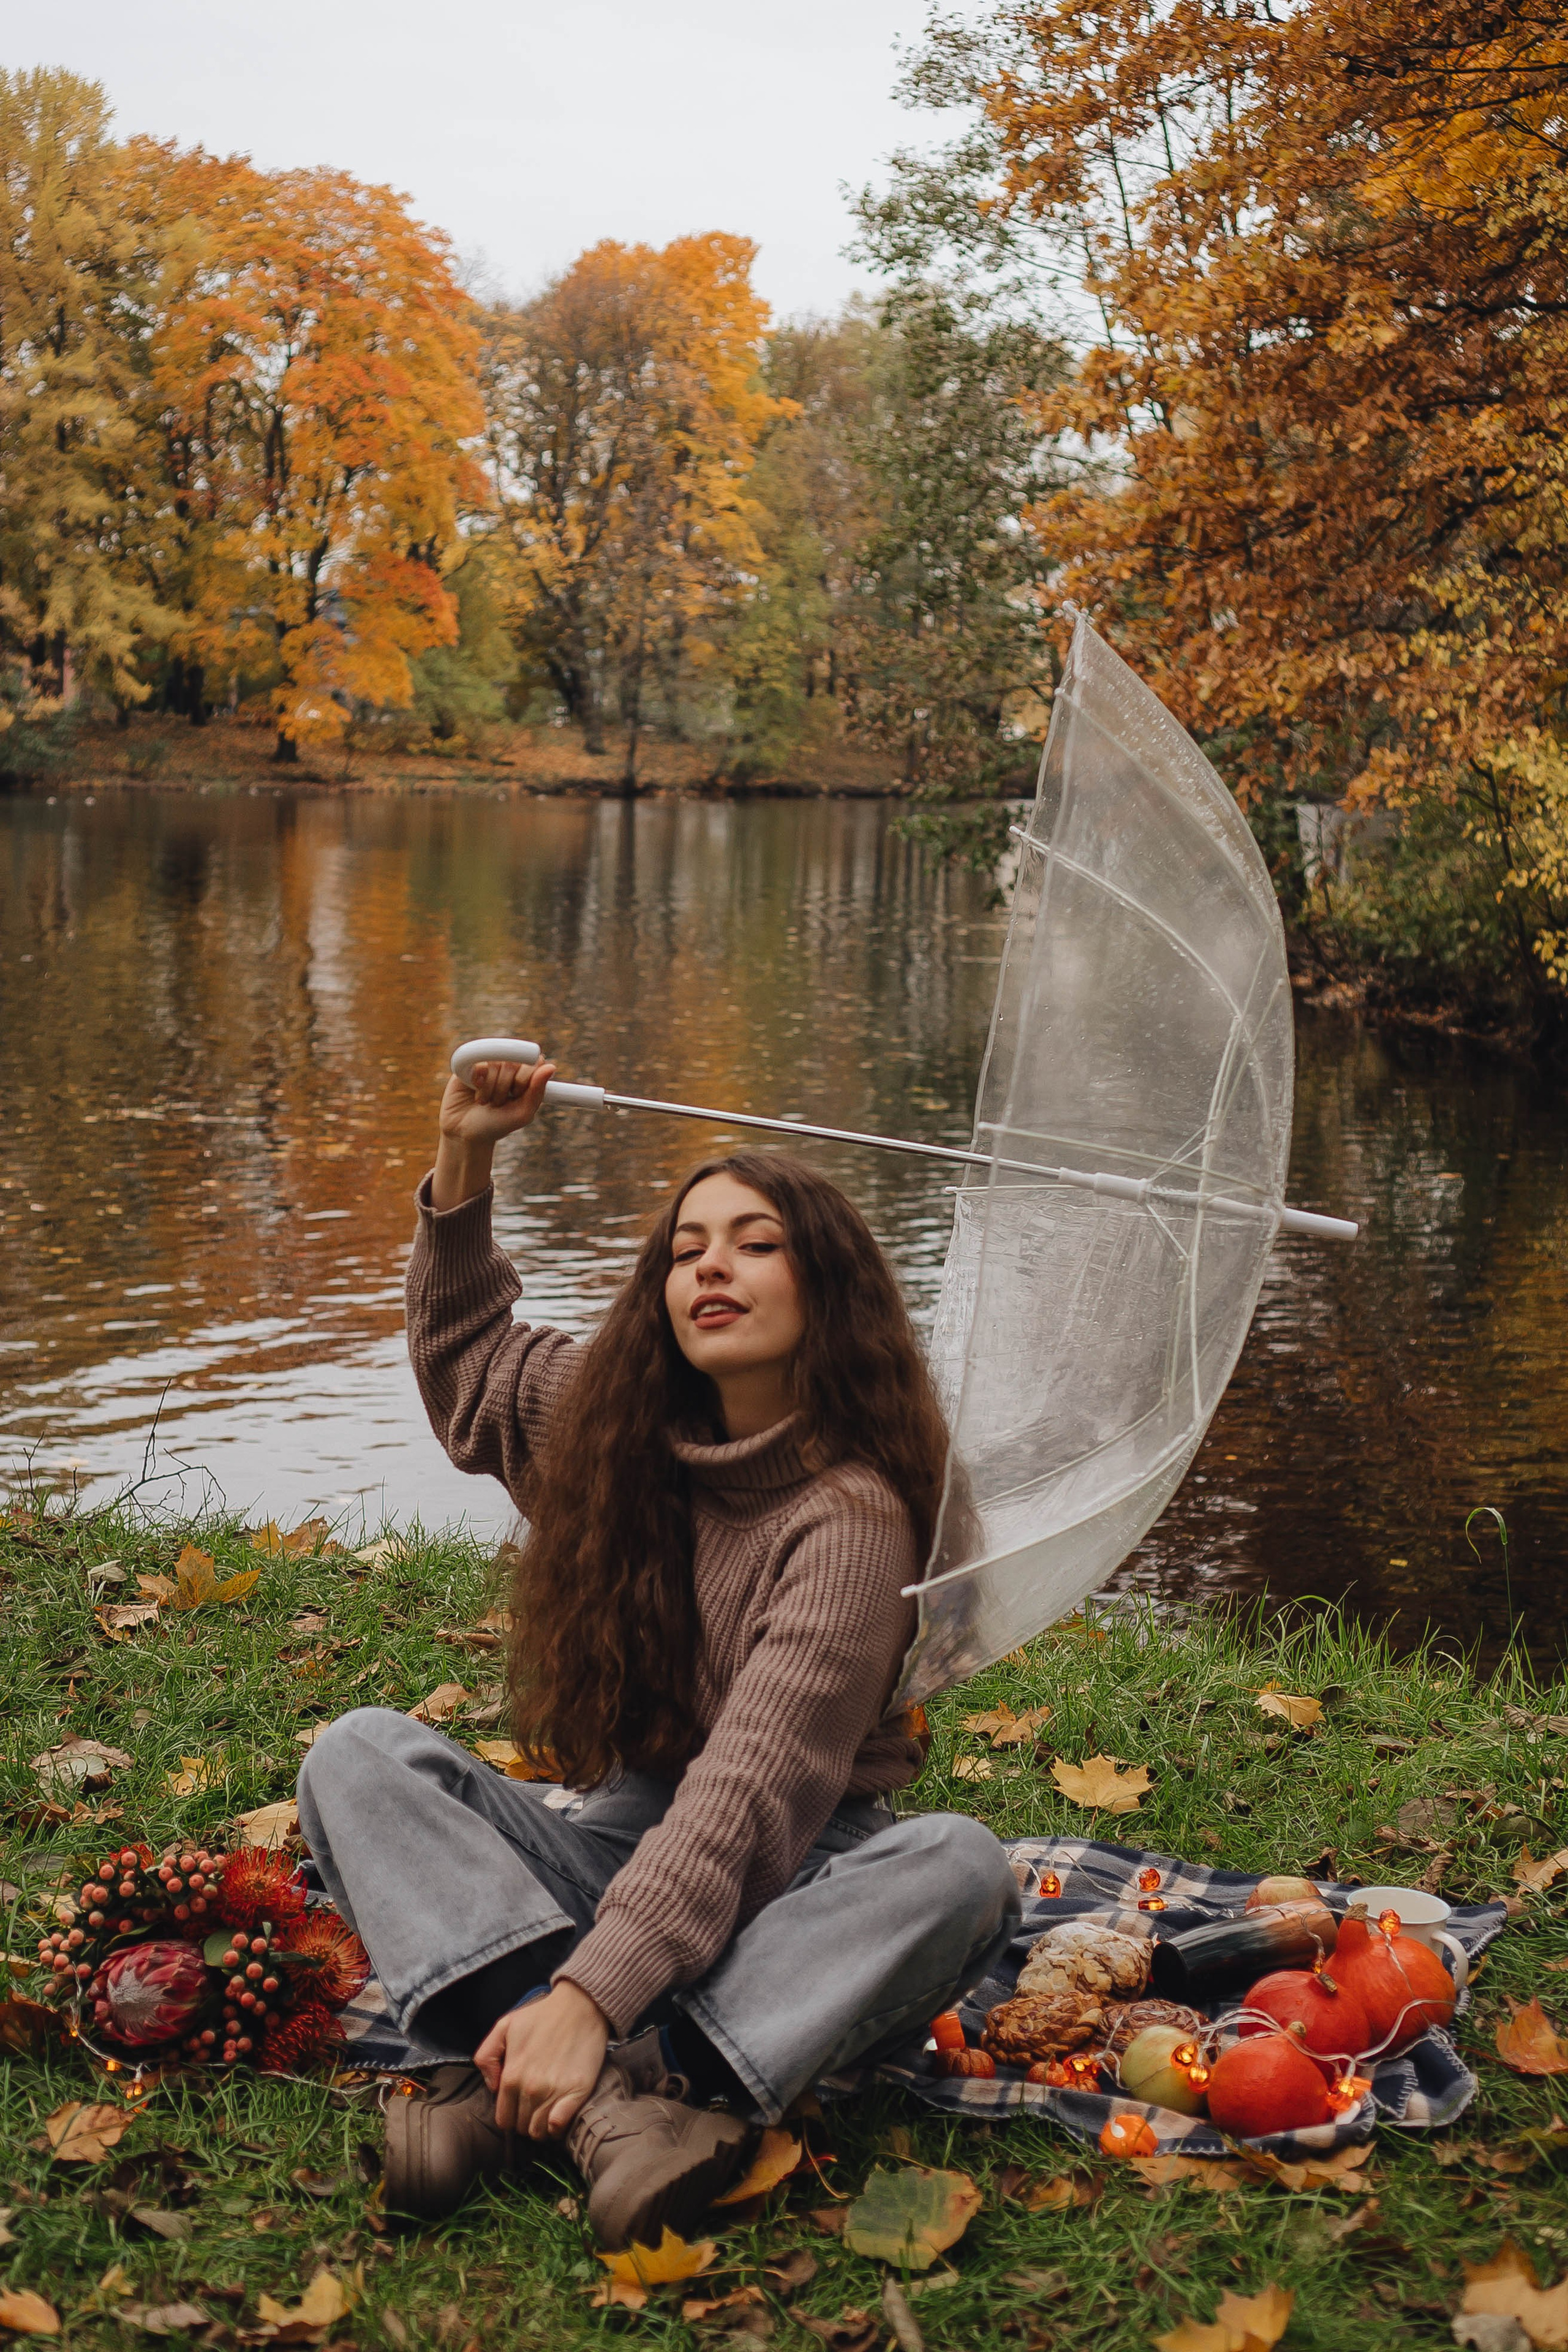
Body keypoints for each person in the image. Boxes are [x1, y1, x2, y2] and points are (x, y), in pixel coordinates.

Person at [298, 1054, 1020, 2250]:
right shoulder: (617, 1425)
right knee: (359, 1757)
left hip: (793, 1884)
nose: (709, 1269)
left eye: (751, 1243)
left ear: (825, 1289)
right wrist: (464, 1156)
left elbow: (744, 1796)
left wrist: (591, 1994)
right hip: (611, 1851)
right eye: (686, 1249)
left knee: (957, 1869)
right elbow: (469, 1367)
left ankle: (603, 2070)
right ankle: (613, 2108)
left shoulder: (852, 1520)